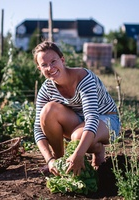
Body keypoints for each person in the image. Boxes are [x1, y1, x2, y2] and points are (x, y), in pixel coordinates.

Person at [32, 41, 120, 176]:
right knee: (47, 111)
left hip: (106, 119)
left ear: (62, 60)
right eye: (44, 65)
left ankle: (98, 150)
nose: (50, 68)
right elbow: (38, 128)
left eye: (53, 61)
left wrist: (78, 155)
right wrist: (50, 161)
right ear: (40, 69)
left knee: (78, 137)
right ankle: (59, 160)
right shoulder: (46, 89)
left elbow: (92, 119)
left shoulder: (84, 78)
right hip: (79, 121)